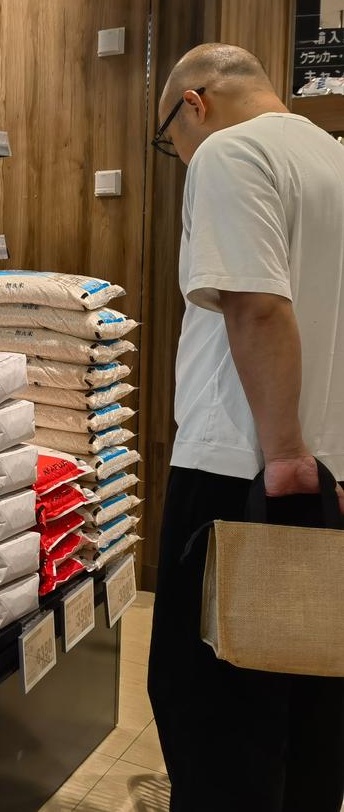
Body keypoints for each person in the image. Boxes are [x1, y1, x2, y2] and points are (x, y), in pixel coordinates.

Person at [147, 43, 344, 811]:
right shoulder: (332, 159)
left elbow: (257, 306)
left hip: (244, 472)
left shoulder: (229, 154)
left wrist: (286, 455)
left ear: (193, 103)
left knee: (210, 708)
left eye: (171, 140)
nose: (180, 155)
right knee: (309, 702)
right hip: (326, 477)